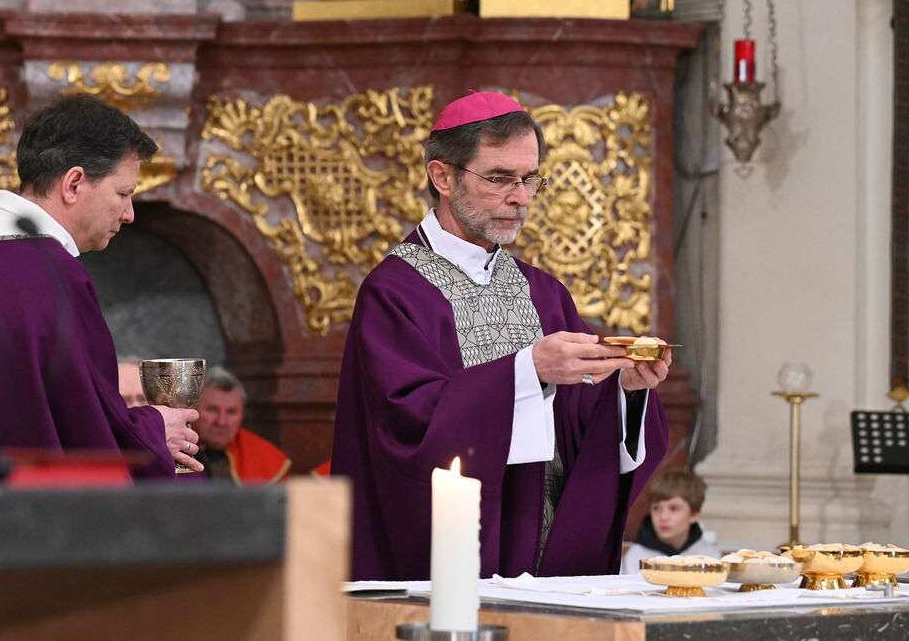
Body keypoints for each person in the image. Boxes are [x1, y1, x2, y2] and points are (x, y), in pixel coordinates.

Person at [331, 90, 672, 580]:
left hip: (545, 558)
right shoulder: (394, 292)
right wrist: (526, 371)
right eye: (499, 179)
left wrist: (625, 391)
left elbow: (579, 421)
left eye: (530, 179)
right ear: (442, 177)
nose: (521, 198)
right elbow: (405, 429)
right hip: (455, 562)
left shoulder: (545, 293)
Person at [0, 94, 201, 478]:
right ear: (74, 183)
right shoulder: (47, 272)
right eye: (123, 193)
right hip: (12, 507)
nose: (129, 214)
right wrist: (154, 431)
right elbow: (87, 427)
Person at [194, 366, 291, 483]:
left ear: (242, 414)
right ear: (193, 409)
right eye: (212, 410)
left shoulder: (269, 458)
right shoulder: (176, 448)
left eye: (231, 412)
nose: (221, 421)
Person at [621, 470, 721, 574]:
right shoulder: (635, 556)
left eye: (674, 508)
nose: (663, 517)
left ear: (693, 515)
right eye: (656, 508)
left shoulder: (708, 557)